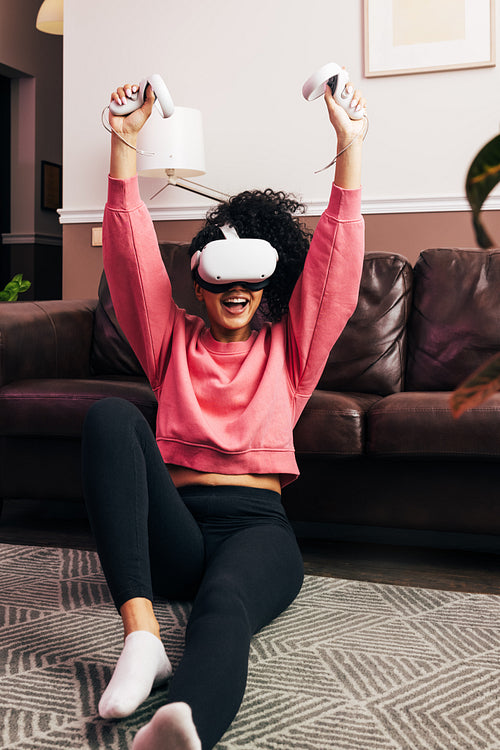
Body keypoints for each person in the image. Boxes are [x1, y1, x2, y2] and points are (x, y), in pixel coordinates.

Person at [82, 75, 367, 750]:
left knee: (225, 604)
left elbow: (335, 267)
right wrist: (124, 141)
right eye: (222, 277)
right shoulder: (168, 337)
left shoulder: (291, 351)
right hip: (174, 530)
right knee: (107, 416)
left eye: (251, 280)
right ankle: (143, 636)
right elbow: (129, 257)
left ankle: (184, 723)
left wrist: (349, 145)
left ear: (267, 283)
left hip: (257, 528)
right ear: (200, 281)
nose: (236, 291)